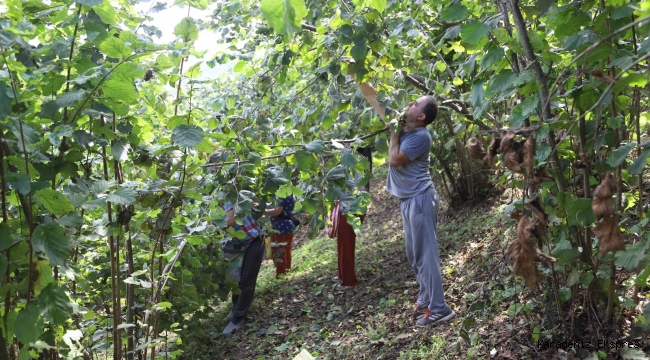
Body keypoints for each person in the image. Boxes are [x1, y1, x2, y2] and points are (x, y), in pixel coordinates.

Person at [352, 70, 455, 327]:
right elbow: (374, 99)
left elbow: (395, 160)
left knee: (426, 254)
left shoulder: (420, 136)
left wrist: (394, 132)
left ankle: (440, 308)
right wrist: (356, 71)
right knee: (415, 254)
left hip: (420, 199)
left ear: (421, 116)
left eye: (415, 103)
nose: (409, 103)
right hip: (409, 201)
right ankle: (425, 300)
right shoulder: (404, 124)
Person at [221, 201, 264, 336]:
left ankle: (238, 318)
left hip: (254, 240)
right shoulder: (213, 199)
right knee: (237, 279)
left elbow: (230, 221)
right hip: (238, 245)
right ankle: (236, 309)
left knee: (246, 281)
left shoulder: (230, 195)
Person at [332, 146, 368, 291]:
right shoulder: (354, 167)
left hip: (350, 211)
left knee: (346, 245)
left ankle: (348, 281)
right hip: (350, 210)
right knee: (343, 244)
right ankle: (342, 274)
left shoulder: (348, 171)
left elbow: (343, 192)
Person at [264, 195, 296, 278]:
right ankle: (287, 271)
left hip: (280, 228)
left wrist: (263, 211)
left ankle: (281, 275)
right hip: (287, 226)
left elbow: (277, 211)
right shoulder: (288, 192)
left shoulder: (281, 194)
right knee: (286, 251)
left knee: (279, 252)